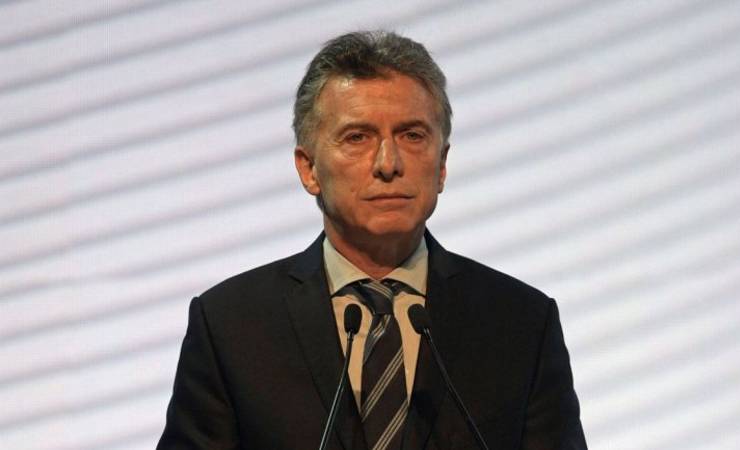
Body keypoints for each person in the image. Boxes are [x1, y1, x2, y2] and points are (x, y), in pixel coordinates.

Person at [157, 31, 587, 450]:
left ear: (441, 166)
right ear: (308, 169)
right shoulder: (231, 327)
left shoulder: (521, 323)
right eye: (357, 137)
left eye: (412, 135)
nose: (388, 163)